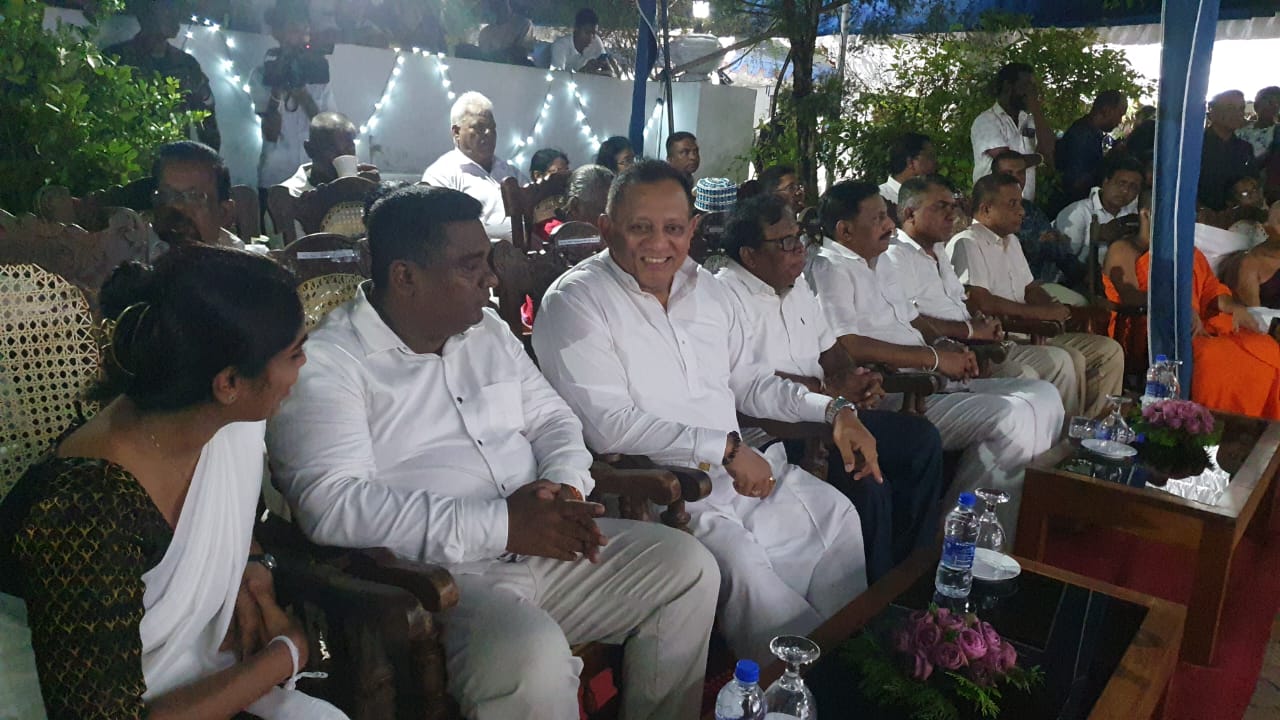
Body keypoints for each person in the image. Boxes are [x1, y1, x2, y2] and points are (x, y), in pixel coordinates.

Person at [266, 185, 719, 719]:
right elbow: (333, 505)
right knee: (532, 658)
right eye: (472, 265)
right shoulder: (331, 363)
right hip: (439, 583)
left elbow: (554, 420)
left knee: (688, 568)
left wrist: (564, 488)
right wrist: (502, 525)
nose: (493, 279)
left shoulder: (488, 331)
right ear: (405, 277)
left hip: (547, 543)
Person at [533, 160, 875, 662]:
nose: (659, 244)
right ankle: (800, 683)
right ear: (606, 228)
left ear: (693, 228)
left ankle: (856, 668)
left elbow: (751, 383)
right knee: (745, 566)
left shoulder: (708, 290)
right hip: (660, 494)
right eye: (640, 228)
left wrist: (835, 411)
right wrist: (726, 449)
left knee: (837, 515)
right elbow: (609, 427)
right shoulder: (576, 301)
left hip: (742, 474)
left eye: (673, 228)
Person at [0, 245, 345, 719]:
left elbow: (227, 515)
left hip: (182, 680)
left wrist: (251, 569)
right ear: (229, 383)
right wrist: (286, 653)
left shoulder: (213, 421)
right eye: (295, 353)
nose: (303, 367)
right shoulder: (88, 506)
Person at [806, 180, 1063, 533]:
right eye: (878, 218)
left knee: (1045, 395)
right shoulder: (829, 268)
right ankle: (960, 532)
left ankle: (1017, 521)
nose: (890, 224)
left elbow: (912, 320)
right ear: (845, 230)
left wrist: (946, 345)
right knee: (1012, 416)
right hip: (896, 390)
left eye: (886, 215)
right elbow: (846, 344)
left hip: (930, 375)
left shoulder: (878, 261)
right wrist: (934, 359)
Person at [715, 193, 945, 582]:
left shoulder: (797, 286)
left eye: (800, 237)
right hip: (773, 433)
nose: (799, 250)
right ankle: (874, 597)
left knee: (920, 439)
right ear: (750, 255)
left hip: (826, 412)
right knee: (868, 481)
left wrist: (857, 379)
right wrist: (829, 392)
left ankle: (910, 573)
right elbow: (744, 386)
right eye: (786, 242)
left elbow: (832, 351)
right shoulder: (725, 297)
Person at [884, 176, 1085, 418]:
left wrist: (984, 324)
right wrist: (969, 332)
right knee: (1031, 380)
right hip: (941, 356)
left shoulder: (938, 250)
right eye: (940, 207)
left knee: (1056, 372)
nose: (951, 215)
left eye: (953, 206)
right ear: (910, 213)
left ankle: (1066, 436)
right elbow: (908, 320)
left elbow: (964, 302)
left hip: (976, 345)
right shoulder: (896, 256)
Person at [949, 173, 1125, 419]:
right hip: (1004, 337)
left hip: (1034, 330)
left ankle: (1093, 424)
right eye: (1012, 204)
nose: (1022, 211)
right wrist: (1040, 314)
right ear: (986, 209)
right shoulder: (968, 242)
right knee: (1067, 359)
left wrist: (1053, 308)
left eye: (1020, 203)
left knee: (1109, 350)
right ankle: (1065, 433)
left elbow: (1030, 288)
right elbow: (980, 302)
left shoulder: (1011, 241)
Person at [1104, 206, 1280, 419]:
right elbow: (1130, 296)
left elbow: (1211, 290)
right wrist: (1179, 307)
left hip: (1200, 326)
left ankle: (1257, 425)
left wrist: (1236, 308)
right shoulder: (1125, 249)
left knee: (1265, 347)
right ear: (1146, 213)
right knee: (1215, 358)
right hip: (1157, 328)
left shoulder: (1187, 251)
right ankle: (1212, 423)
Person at [105, 0, 220, 149]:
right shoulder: (116, 58)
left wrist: (207, 158)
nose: (175, 16)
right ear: (147, 14)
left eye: (176, 9)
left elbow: (207, 122)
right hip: (130, 156)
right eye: (167, 9)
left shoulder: (186, 64)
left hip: (174, 158)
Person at [252, 3, 336, 195]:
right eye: (294, 31)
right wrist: (277, 90)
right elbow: (270, 133)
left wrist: (303, 96)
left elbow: (328, 128)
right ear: (278, 33)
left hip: (311, 177)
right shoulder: (262, 74)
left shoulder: (318, 74)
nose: (301, 38)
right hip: (275, 175)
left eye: (305, 32)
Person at [421, 92, 529, 240]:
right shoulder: (441, 174)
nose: (488, 133)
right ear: (456, 132)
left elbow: (535, 205)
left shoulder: (508, 170)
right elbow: (444, 232)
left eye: (492, 127)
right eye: (479, 127)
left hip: (529, 250)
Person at [992, 150, 1082, 289]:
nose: (1016, 178)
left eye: (1021, 173)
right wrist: (1038, 244)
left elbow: (1055, 248)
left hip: (1042, 286)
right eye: (1008, 173)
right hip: (1003, 289)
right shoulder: (987, 211)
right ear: (994, 176)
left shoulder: (1031, 210)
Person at [971, 62, 1056, 201]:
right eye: (1026, 86)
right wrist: (1040, 158)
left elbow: (1049, 149)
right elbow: (1008, 163)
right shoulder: (986, 120)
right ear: (1008, 86)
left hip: (1024, 203)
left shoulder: (1028, 120)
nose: (1030, 93)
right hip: (995, 203)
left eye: (1032, 88)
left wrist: (1036, 108)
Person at [150, 141, 246, 254]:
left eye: (194, 197)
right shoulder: (137, 253)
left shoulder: (239, 262)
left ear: (224, 213)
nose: (177, 205)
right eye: (167, 195)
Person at [1054, 153, 1143, 266]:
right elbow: (1063, 261)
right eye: (1121, 183)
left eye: (1133, 187)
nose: (1125, 191)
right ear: (1106, 182)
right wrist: (1095, 239)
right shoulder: (1079, 212)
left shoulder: (1134, 215)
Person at [280, 112, 380, 197]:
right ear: (310, 150)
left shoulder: (363, 188)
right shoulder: (289, 196)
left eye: (349, 149)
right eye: (332, 149)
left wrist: (375, 193)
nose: (342, 156)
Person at [1055, 90, 1128, 207]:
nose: (1119, 121)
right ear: (1106, 110)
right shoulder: (1082, 135)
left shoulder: (1091, 133)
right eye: (1119, 114)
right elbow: (1076, 183)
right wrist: (1109, 160)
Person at [1199, 90, 1258, 212]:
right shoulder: (1195, 146)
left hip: (1236, 216)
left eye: (1241, 109)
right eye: (1230, 108)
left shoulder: (1245, 148)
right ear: (1212, 111)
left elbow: (1252, 182)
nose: (1237, 114)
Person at [879, 132, 938, 209]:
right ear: (910, 162)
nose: (936, 162)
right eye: (930, 157)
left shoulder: (935, 198)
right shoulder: (878, 199)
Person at [549, 8, 612, 75]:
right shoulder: (560, 46)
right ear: (576, 28)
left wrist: (596, 72)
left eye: (594, 33)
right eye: (587, 32)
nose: (591, 38)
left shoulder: (596, 41)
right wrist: (584, 71)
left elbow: (609, 72)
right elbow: (558, 77)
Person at [475, 0, 533, 65]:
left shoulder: (523, 24)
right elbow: (482, 59)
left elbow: (521, 54)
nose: (496, 4)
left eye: (500, 2)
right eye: (492, 2)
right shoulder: (484, 33)